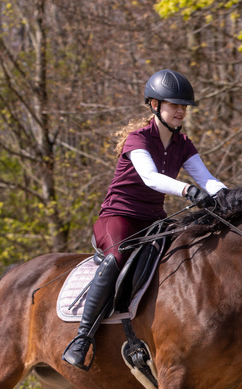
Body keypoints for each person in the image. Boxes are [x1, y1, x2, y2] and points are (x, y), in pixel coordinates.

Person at [62, 69, 228, 370]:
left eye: (184, 106)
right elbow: (151, 177)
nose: (181, 111)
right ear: (154, 105)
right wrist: (188, 190)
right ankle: (82, 338)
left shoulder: (183, 144)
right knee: (116, 258)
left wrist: (229, 196)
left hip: (155, 221)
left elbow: (206, 178)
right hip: (119, 217)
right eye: (174, 105)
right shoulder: (137, 139)